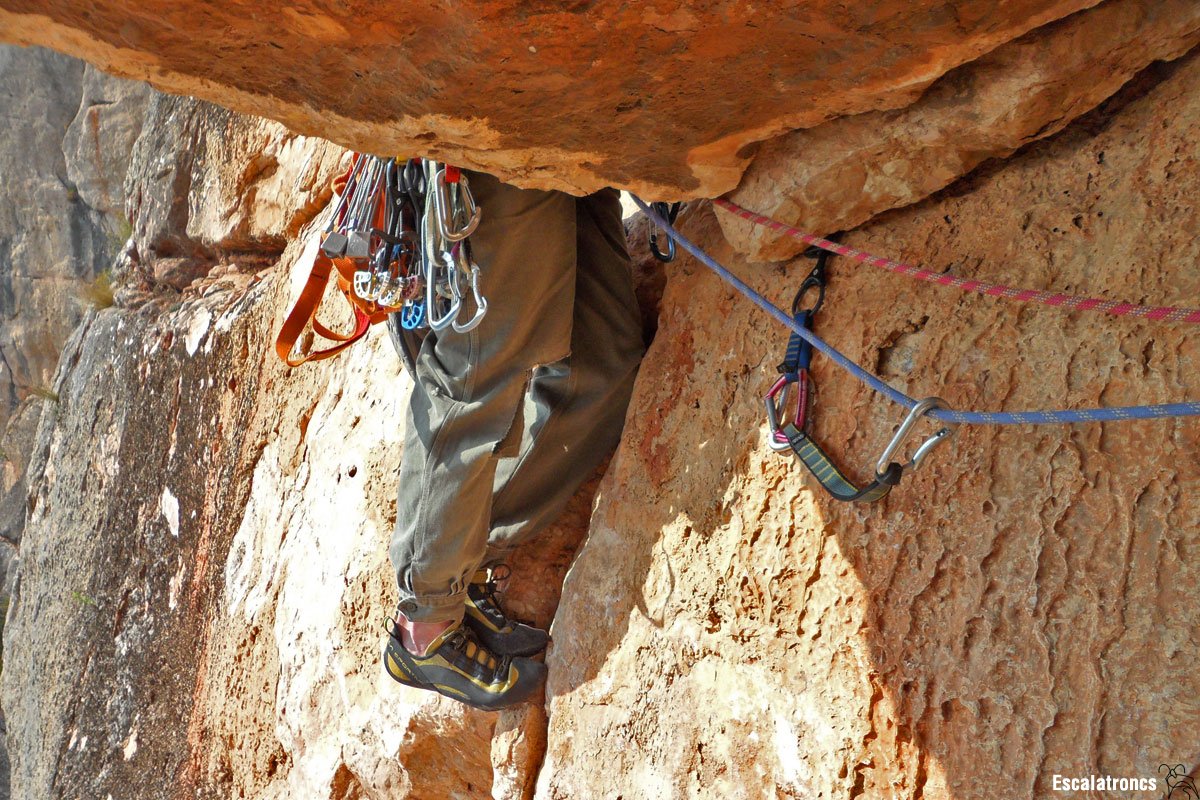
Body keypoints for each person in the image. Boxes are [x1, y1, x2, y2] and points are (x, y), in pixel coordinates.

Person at [382, 170, 646, 710]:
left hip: (563, 124)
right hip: (487, 144)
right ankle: (425, 625)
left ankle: (466, 550)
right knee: (476, 372)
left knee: (601, 363)